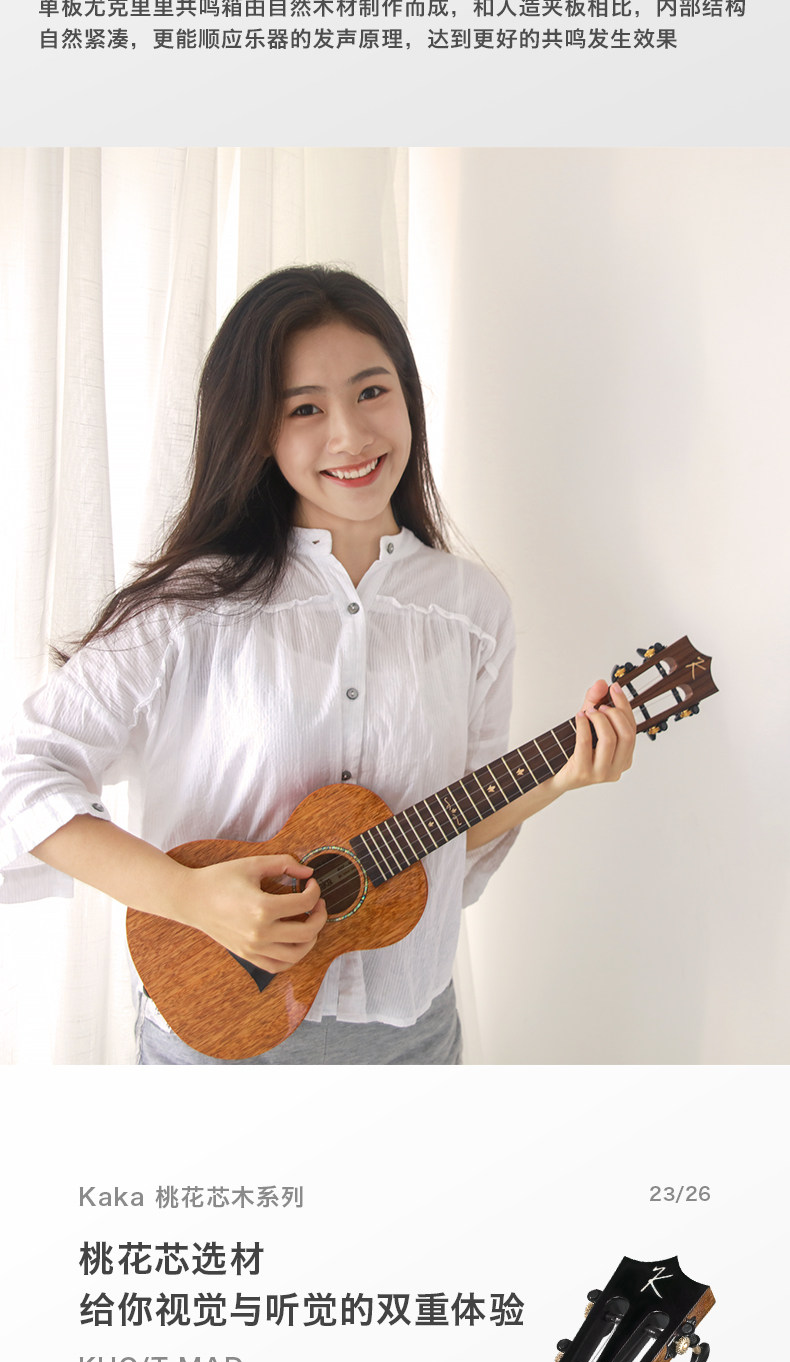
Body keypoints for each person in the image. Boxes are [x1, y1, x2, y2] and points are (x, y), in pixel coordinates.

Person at [0, 266, 636, 1064]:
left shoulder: (472, 611)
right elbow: (25, 776)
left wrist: (560, 779)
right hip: (219, 1048)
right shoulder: (188, 607)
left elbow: (446, 838)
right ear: (255, 430)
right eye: (305, 408)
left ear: (408, 397)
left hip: (413, 1040)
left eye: (372, 392)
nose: (351, 435)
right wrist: (188, 896)